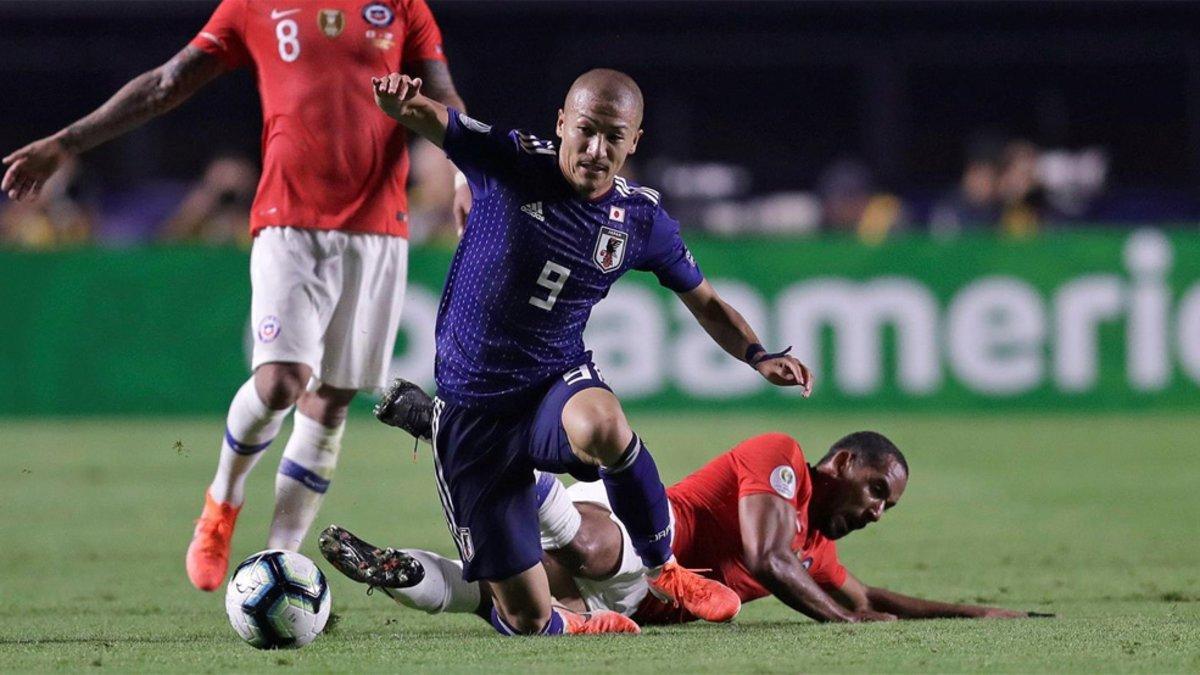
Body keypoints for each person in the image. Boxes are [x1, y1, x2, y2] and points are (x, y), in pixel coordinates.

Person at [1, 0, 472, 592]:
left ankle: (277, 566)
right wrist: (67, 143)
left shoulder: (403, 7)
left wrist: (462, 174)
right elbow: (166, 84)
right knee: (281, 381)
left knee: (331, 399)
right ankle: (222, 500)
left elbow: (445, 96)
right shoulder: (253, 6)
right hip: (288, 219)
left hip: (379, 228)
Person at [367, 69, 814, 636]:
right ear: (561, 124)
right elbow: (436, 120)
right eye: (585, 131)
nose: (597, 151)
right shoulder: (511, 160)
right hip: (472, 409)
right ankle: (569, 623)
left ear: (635, 142)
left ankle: (664, 568)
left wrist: (756, 353)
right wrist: (400, 102)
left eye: (614, 137)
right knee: (526, 617)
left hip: (551, 382)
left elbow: (706, 301)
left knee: (603, 422)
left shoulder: (640, 219)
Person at [320, 428, 1039, 626]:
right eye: (877, 489)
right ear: (843, 462)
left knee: (506, 597)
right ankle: (488, 446)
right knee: (608, 552)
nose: (878, 510)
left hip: (632, 602)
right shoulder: (782, 460)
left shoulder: (814, 550)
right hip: (644, 533)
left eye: (891, 506)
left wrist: (976, 610)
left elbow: (867, 598)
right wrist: (842, 624)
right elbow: (766, 555)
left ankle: (398, 569)